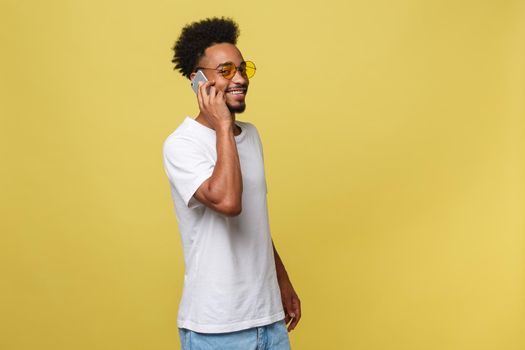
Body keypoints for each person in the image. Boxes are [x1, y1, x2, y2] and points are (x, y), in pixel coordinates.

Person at [162, 17, 301, 349]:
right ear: (197, 81)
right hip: (217, 327)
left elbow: (254, 221)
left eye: (242, 69)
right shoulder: (182, 144)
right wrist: (223, 125)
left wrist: (282, 282)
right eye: (225, 71)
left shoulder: (250, 136)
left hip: (268, 320)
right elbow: (228, 203)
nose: (239, 79)